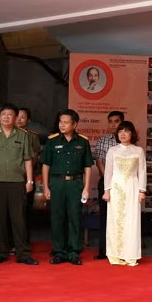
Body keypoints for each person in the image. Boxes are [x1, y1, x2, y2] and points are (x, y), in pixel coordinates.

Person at [0, 103, 38, 265]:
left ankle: (23, 253)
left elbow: (28, 159)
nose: (6, 117)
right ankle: (1, 252)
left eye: (10, 114)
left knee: (19, 219)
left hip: (17, 183)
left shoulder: (23, 135)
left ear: (15, 117)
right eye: (3, 114)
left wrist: (30, 181)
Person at [42, 109, 93, 265]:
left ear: (74, 124)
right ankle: (59, 251)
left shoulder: (82, 142)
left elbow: (87, 166)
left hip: (75, 184)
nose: (62, 125)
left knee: (74, 217)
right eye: (60, 122)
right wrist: (46, 187)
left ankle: (73, 251)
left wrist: (86, 187)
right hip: (57, 183)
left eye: (65, 122)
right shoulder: (52, 141)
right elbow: (45, 165)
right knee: (57, 218)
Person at [103, 121, 146, 267]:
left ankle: (130, 255)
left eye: (126, 131)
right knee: (115, 220)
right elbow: (108, 172)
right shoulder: (112, 151)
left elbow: (142, 171)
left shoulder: (138, 151)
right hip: (116, 189)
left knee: (132, 221)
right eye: (120, 131)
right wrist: (107, 190)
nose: (123, 134)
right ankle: (115, 255)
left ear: (132, 134)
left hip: (132, 188)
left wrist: (142, 191)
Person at [92, 110, 123, 260]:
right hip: (106, 183)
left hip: (124, 184)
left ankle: (122, 250)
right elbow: (99, 162)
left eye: (116, 121)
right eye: (110, 122)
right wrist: (108, 180)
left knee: (122, 217)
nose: (113, 125)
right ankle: (104, 250)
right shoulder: (103, 140)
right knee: (105, 217)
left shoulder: (128, 141)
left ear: (122, 122)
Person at [16, 107, 40, 243]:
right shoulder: (6, 134)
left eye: (23, 117)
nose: (19, 119)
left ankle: (24, 241)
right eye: (17, 116)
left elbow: (34, 157)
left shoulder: (33, 136)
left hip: (26, 178)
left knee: (25, 211)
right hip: (10, 178)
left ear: (28, 120)